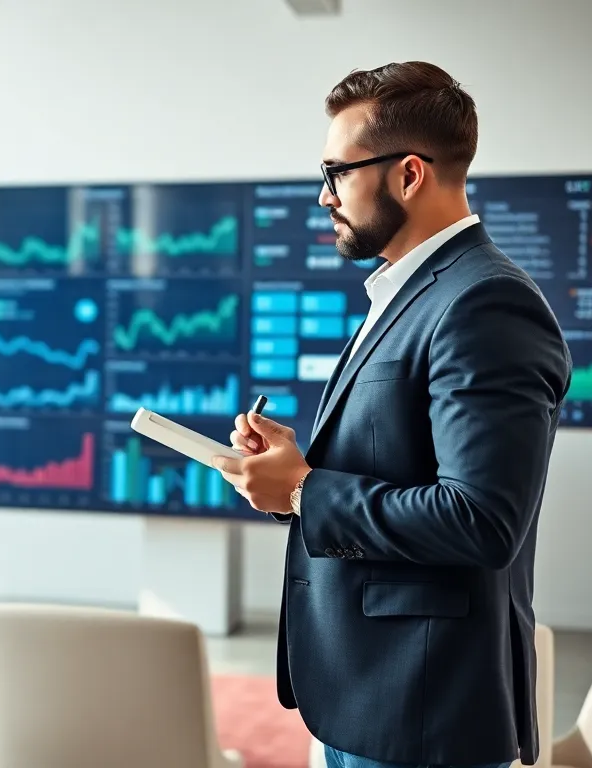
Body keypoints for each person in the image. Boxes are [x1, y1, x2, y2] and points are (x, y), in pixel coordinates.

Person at [210, 62, 572, 768]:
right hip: (367, 693)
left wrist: (307, 491)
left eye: (337, 173)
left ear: (409, 174)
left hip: (419, 714)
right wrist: (301, 471)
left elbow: (481, 519)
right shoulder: (411, 291)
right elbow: (398, 462)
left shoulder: (486, 303)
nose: (324, 196)